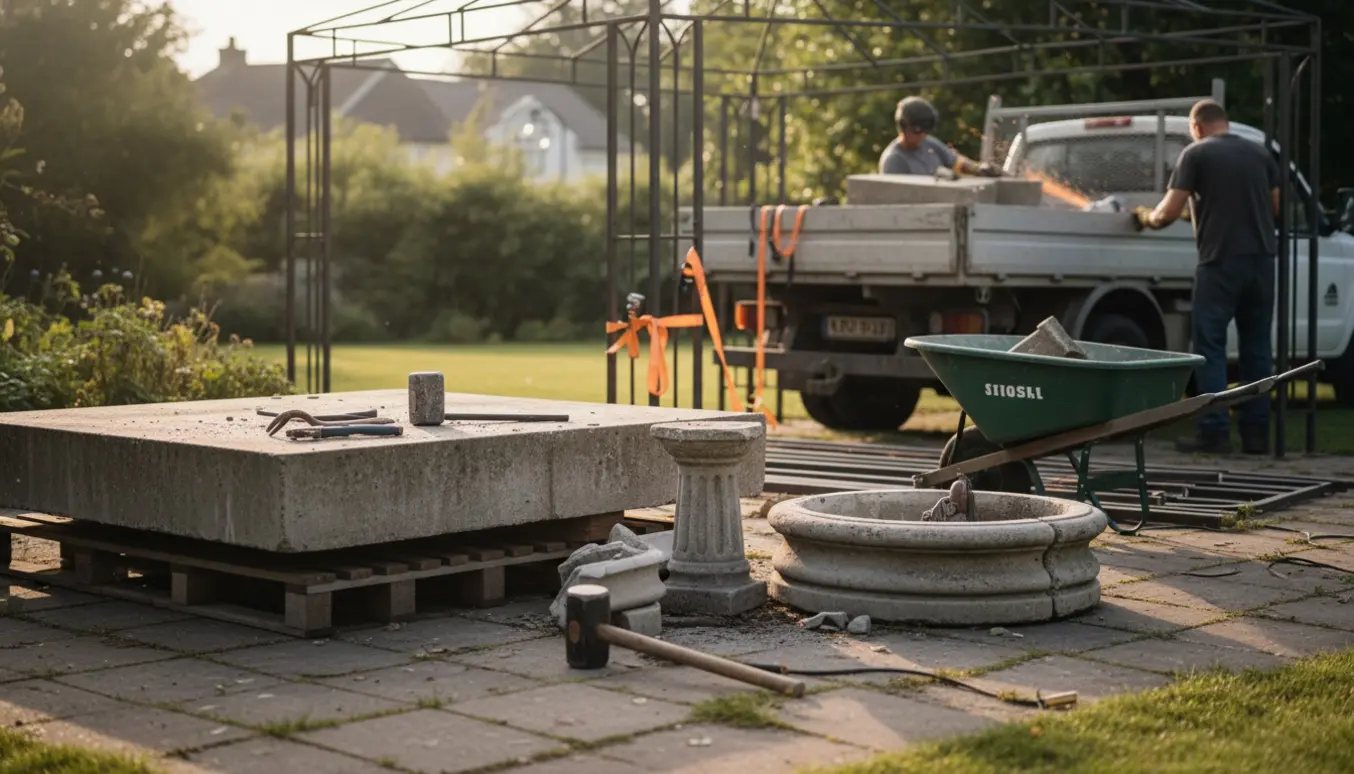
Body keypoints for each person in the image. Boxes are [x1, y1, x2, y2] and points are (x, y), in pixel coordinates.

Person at [1133, 98, 1280, 455]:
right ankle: (1256, 435)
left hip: (1220, 263)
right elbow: (1274, 207)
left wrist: (1146, 218)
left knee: (1210, 346)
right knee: (1257, 348)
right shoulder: (1261, 154)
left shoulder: (1196, 154)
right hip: (1262, 263)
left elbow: (1168, 211)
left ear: (1197, 127)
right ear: (1224, 122)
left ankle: (1214, 432)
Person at [878, 96, 1002, 178]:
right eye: (917, 131)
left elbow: (958, 163)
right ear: (904, 127)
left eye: (925, 131)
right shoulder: (894, 160)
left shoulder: (929, 144)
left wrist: (978, 169)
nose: (922, 135)